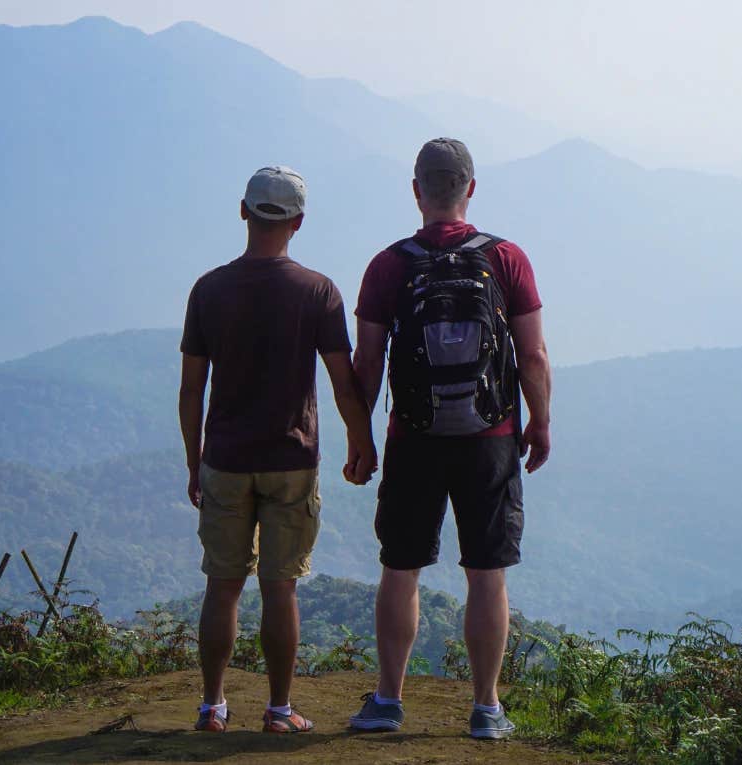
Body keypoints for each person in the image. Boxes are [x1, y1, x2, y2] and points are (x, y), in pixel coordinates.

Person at [347, 139, 552, 739]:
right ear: (471, 188)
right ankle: (487, 708)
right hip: (491, 435)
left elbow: (366, 362)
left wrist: (361, 439)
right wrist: (539, 423)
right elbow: (533, 355)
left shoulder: (388, 265)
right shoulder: (507, 258)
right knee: (487, 572)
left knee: (400, 565)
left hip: (413, 435)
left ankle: (387, 700)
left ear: (417, 191)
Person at [179, 166, 378, 734]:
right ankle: (279, 709)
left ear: (243, 212)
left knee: (222, 585)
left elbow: (191, 389)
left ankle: (212, 707)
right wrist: (362, 444)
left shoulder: (208, 290)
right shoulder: (317, 291)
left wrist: (194, 461)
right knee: (280, 586)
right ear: (298, 222)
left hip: (225, 458)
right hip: (292, 462)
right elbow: (343, 382)